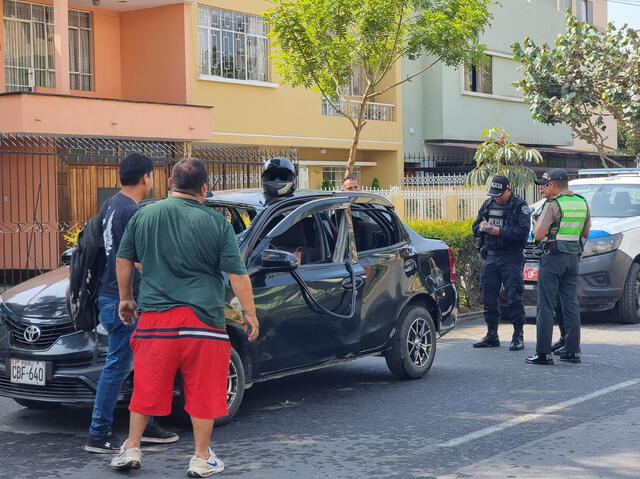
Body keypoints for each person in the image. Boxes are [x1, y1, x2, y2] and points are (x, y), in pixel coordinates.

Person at [111, 158, 259, 476]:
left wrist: (126, 299)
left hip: (155, 321)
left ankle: (132, 447)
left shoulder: (144, 215)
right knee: (204, 389)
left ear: (169, 184)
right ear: (204, 188)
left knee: (146, 387)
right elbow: (238, 275)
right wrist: (250, 313)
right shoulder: (217, 223)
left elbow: (124, 260)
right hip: (203, 322)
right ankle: (202, 457)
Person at [85, 153, 178, 453]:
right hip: (125, 300)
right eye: (152, 176)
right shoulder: (133, 212)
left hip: (108, 295)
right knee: (118, 366)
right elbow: (137, 261)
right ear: (146, 178)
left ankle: (147, 425)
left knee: (140, 364)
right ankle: (98, 434)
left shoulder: (111, 205)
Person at [527, 169, 590, 365]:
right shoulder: (582, 202)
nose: (541, 188)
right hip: (573, 258)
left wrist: (537, 224)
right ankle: (572, 352)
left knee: (545, 305)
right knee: (570, 304)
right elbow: (586, 232)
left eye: (544, 185)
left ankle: (543, 353)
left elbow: (538, 235)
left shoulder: (553, 205)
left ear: (553, 185)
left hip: (553, 258)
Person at [472, 175, 531, 351]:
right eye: (494, 194)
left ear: (508, 189)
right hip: (490, 256)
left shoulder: (519, 206)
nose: (496, 198)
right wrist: (482, 227)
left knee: (514, 297)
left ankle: (518, 336)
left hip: (511, 257)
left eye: (499, 194)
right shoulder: (488, 204)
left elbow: (522, 231)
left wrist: (499, 231)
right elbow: (474, 228)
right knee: (488, 297)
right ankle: (492, 335)